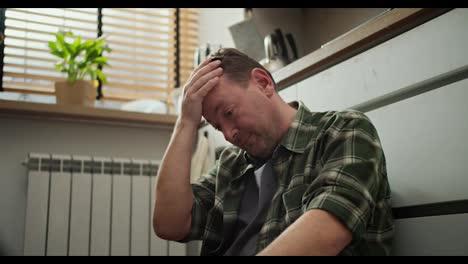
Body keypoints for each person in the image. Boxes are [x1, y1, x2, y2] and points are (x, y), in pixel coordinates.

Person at [153, 48, 394, 256]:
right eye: (217, 127)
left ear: (263, 83)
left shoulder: (343, 131)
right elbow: (170, 225)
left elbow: (326, 235)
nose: (228, 135)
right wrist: (185, 123)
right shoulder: (230, 165)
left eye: (228, 113)